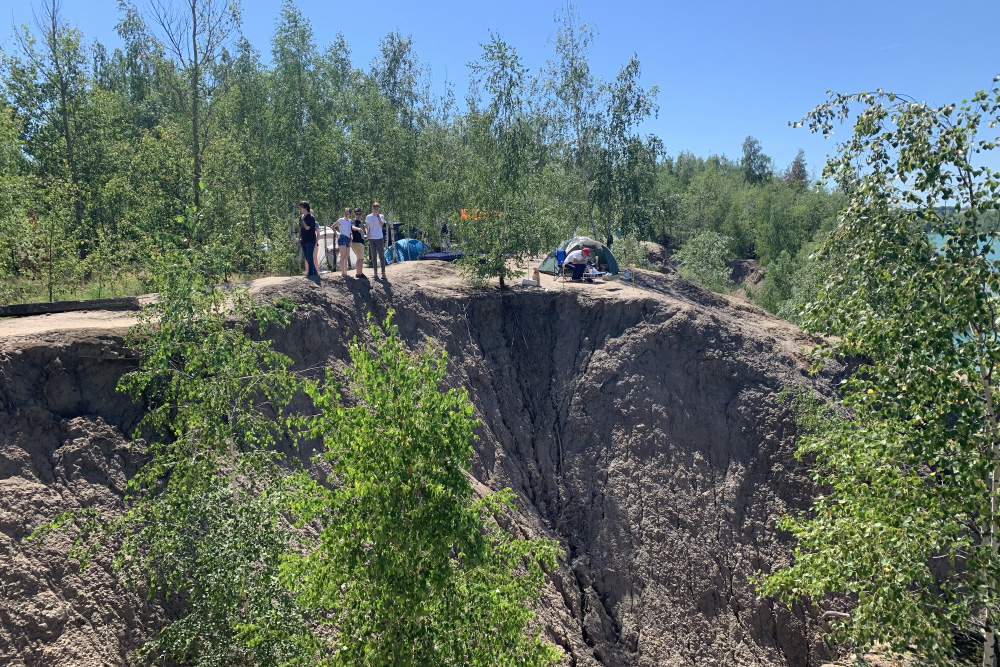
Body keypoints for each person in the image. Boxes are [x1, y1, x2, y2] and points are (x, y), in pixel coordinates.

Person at [366, 202, 388, 280]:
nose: (376, 210)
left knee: (381, 256)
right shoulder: (368, 217)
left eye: (377, 208)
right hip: (372, 238)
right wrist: (367, 233)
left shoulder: (381, 216)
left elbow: (381, 224)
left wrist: (378, 216)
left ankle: (383, 273)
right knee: (374, 256)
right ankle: (375, 272)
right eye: (374, 208)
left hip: (379, 238)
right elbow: (366, 226)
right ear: (372, 208)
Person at [298, 201, 319, 277]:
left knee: (310, 256)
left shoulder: (311, 217)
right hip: (303, 239)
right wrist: (299, 238)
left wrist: (303, 220)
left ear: (305, 207)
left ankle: (310, 273)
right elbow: (300, 228)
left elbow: (307, 228)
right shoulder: (300, 217)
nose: (299, 208)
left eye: (301, 207)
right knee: (306, 257)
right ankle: (315, 272)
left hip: (310, 240)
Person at [335, 207, 353, 278]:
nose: (346, 215)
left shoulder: (350, 221)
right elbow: (333, 226)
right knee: (342, 256)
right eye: (345, 214)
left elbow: (350, 230)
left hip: (348, 239)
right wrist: (336, 234)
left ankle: (345, 272)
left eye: (347, 214)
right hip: (342, 237)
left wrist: (351, 236)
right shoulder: (341, 220)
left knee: (346, 256)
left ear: (350, 214)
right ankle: (343, 273)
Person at [351, 207, 366, 278]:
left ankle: (359, 272)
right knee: (360, 258)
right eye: (357, 214)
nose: (359, 215)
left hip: (361, 241)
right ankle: (359, 273)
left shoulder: (361, 222)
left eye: (360, 214)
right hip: (357, 242)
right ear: (355, 214)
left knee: (360, 258)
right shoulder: (354, 221)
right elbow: (353, 227)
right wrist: (358, 229)